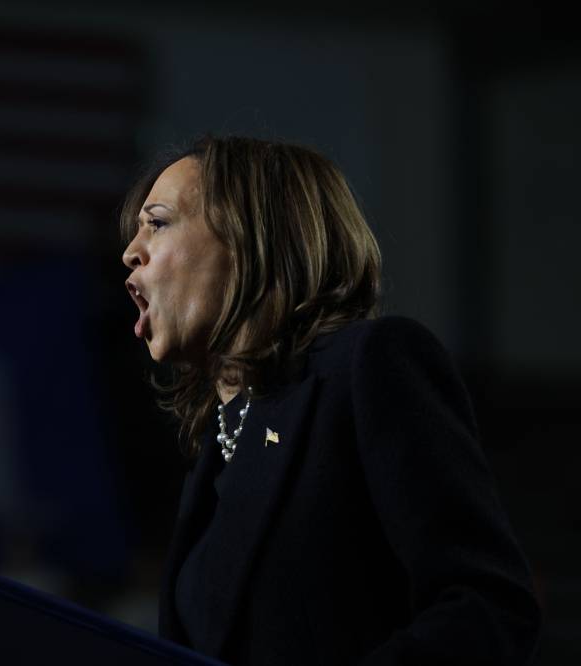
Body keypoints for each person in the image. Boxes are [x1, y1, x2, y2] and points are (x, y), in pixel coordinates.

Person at [120, 135, 542, 665]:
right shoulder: (215, 455)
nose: (130, 252)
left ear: (251, 237)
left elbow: (488, 606)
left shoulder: (371, 366)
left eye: (156, 222)